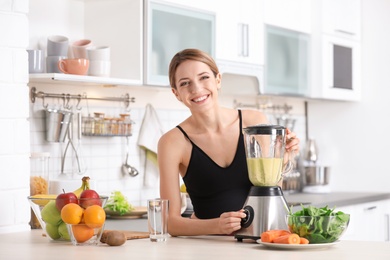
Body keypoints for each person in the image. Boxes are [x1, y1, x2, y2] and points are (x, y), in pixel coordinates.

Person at [157, 49, 300, 237]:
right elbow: (169, 222)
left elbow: (271, 190)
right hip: (210, 247)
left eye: (204, 77)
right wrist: (215, 226)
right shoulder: (172, 142)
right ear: (176, 93)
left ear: (218, 80)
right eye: (185, 83)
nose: (197, 89)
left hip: (261, 240)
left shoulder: (254, 122)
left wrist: (283, 159)